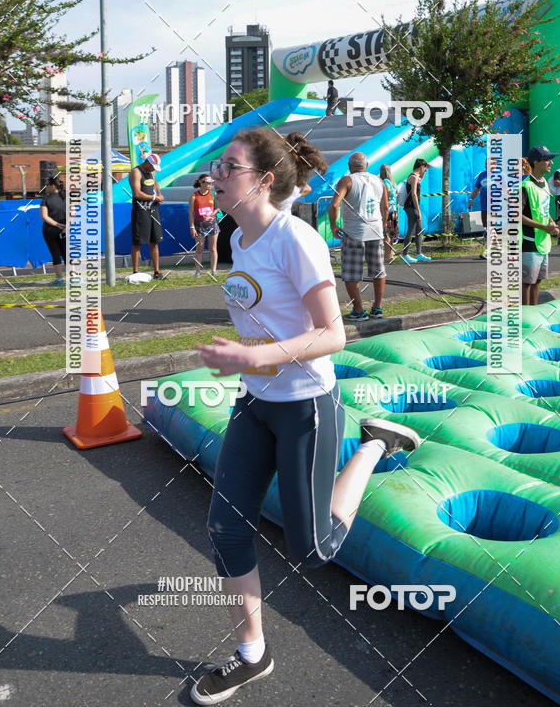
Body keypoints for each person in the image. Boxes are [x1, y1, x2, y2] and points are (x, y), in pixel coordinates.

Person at [191, 127, 420, 705]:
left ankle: (374, 446)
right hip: (255, 403)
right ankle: (252, 654)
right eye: (217, 166)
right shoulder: (238, 238)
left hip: (305, 407)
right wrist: (249, 364)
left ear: (264, 181)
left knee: (314, 550)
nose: (216, 175)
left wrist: (254, 355)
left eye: (230, 167)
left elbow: (333, 334)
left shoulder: (295, 239)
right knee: (224, 528)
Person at [328, 151, 388, 321]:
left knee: (350, 273)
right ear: (367, 165)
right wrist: (383, 227)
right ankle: (377, 308)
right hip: (375, 230)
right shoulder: (378, 181)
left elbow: (334, 205)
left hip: (354, 232)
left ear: (349, 166)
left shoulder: (347, 181)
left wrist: (333, 226)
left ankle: (359, 310)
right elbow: (385, 207)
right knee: (378, 270)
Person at [522, 146, 559, 306]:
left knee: (537, 281)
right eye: (547, 159)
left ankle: (534, 313)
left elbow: (543, 207)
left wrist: (551, 222)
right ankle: (525, 319)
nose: (551, 162)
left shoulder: (544, 183)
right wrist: (543, 227)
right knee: (526, 283)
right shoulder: (524, 185)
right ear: (536, 162)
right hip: (528, 241)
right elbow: (515, 215)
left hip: (543, 242)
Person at [129, 153, 164, 279]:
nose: (154, 169)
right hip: (141, 210)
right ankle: (135, 272)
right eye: (153, 166)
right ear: (148, 163)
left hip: (153, 209)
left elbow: (155, 184)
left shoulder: (151, 172)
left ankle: (156, 271)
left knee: (155, 241)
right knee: (138, 242)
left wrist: (159, 194)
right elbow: (137, 193)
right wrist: (154, 197)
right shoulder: (136, 172)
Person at [278, 131, 327, 213]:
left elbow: (307, 188)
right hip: (284, 216)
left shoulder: (284, 170)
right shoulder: (295, 176)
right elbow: (307, 188)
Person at [189, 173, 221, 277]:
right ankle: (197, 272)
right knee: (199, 249)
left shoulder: (213, 194)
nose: (210, 185)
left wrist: (214, 212)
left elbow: (220, 206)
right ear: (201, 183)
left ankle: (213, 271)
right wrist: (192, 227)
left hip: (212, 225)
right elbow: (190, 214)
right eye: (208, 183)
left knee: (213, 249)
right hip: (199, 227)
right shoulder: (194, 196)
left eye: (211, 183)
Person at [401, 159, 432, 264]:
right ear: (421, 167)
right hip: (411, 206)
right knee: (411, 230)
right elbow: (414, 194)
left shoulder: (416, 177)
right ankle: (404, 254)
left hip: (413, 206)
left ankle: (419, 253)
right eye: (425, 168)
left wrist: (424, 172)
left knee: (419, 229)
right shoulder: (413, 177)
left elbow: (420, 180)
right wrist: (418, 209)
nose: (425, 170)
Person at [40, 176, 66, 286]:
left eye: (47, 185)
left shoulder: (46, 199)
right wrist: (66, 226)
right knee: (67, 254)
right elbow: (73, 213)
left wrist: (57, 224)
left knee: (55, 254)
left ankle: (59, 279)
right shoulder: (66, 197)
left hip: (50, 230)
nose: (46, 188)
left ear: (53, 186)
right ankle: (74, 277)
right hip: (65, 230)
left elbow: (44, 216)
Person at [468, 157, 496, 260]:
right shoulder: (482, 175)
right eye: (485, 163)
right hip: (484, 206)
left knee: (490, 228)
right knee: (488, 228)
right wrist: (471, 199)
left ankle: (487, 251)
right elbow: (476, 189)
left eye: (488, 163)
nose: (486, 165)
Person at [379, 164, 398, 261]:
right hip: (394, 208)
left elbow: (388, 194)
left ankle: (387, 255)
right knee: (391, 233)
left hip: (387, 209)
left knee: (386, 233)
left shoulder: (385, 182)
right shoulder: (393, 182)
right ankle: (390, 254)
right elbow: (396, 193)